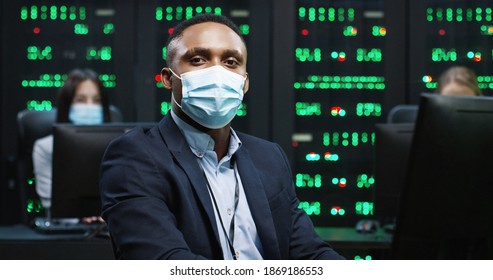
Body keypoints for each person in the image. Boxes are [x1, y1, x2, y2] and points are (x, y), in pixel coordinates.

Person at [100, 14, 344, 260]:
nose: (217, 71)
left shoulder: (269, 157)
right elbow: (165, 261)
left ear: (244, 83)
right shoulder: (134, 156)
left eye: (230, 61)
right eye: (198, 59)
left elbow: (310, 252)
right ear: (168, 78)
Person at [33, 68, 112, 215]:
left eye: (96, 100)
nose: (90, 107)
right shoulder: (45, 148)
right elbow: (50, 202)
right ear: (67, 105)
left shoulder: (120, 145)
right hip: (67, 229)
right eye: (81, 100)